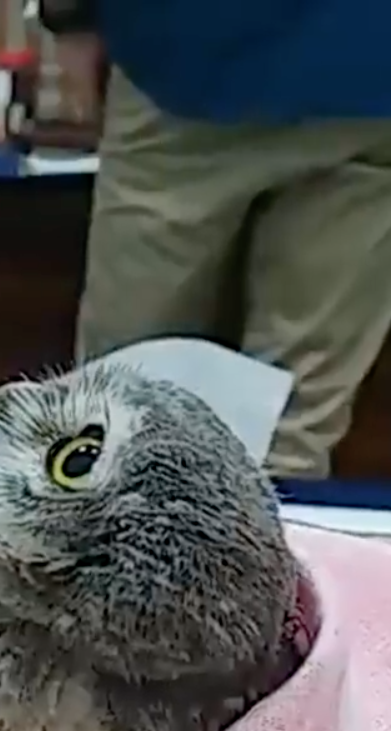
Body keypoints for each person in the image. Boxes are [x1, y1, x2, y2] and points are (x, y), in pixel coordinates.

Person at [39, 0, 391, 477]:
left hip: (188, 57)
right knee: (289, 429)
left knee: (122, 407)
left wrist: (69, 18)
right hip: (372, 68)